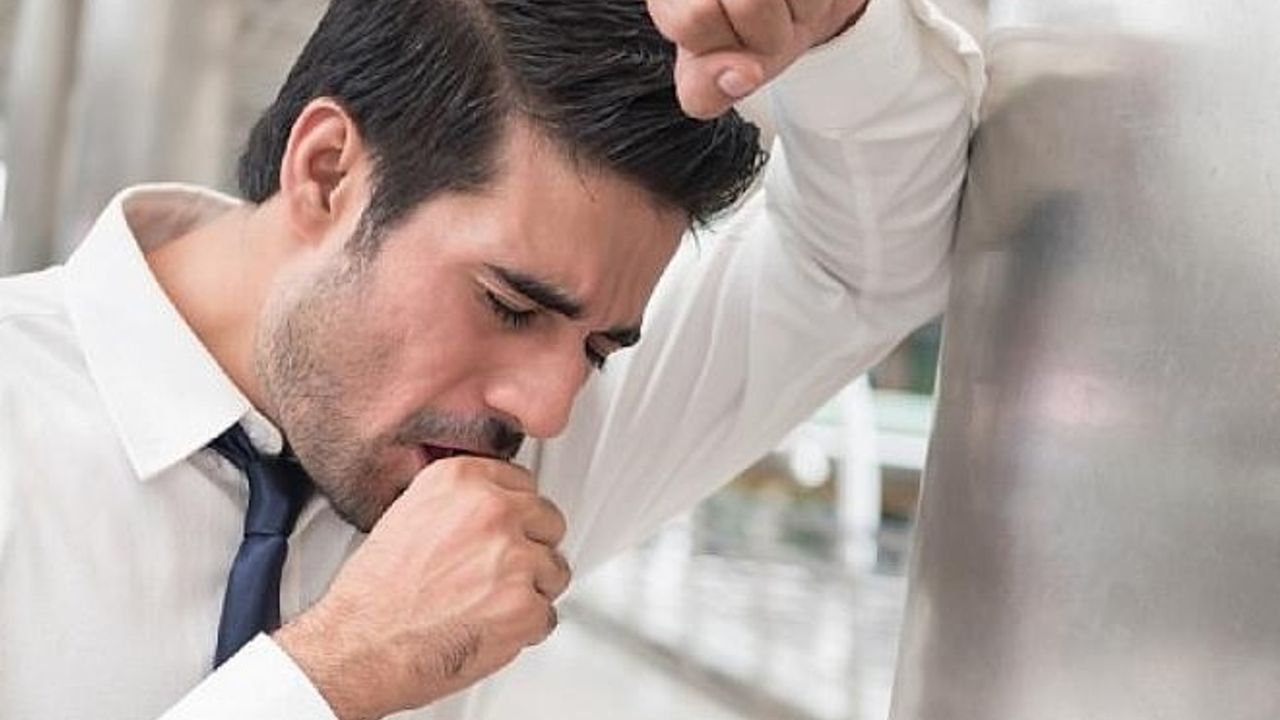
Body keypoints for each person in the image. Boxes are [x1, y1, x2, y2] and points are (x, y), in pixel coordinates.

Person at [0, 0, 981, 717]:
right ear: (327, 172)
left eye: (599, 348)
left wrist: (836, 33)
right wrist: (334, 673)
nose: (549, 409)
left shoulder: (493, 452)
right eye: (509, 306)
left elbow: (859, 267)